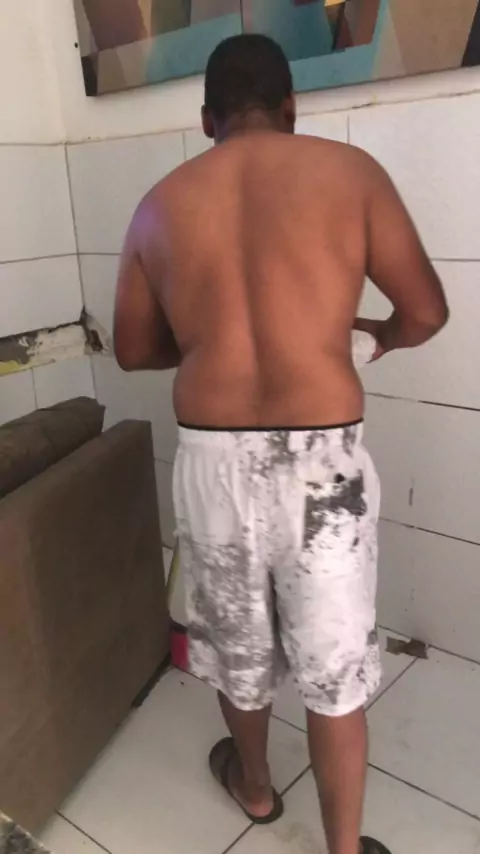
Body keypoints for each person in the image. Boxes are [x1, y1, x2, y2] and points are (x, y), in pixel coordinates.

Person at [114, 34, 448, 854]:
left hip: (212, 466)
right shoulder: (351, 174)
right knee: (335, 672)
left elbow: (131, 348)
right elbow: (427, 312)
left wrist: (208, 343)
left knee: (238, 650)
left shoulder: (159, 204)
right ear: (292, 110)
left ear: (206, 120)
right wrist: (377, 335)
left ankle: (256, 788)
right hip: (323, 469)